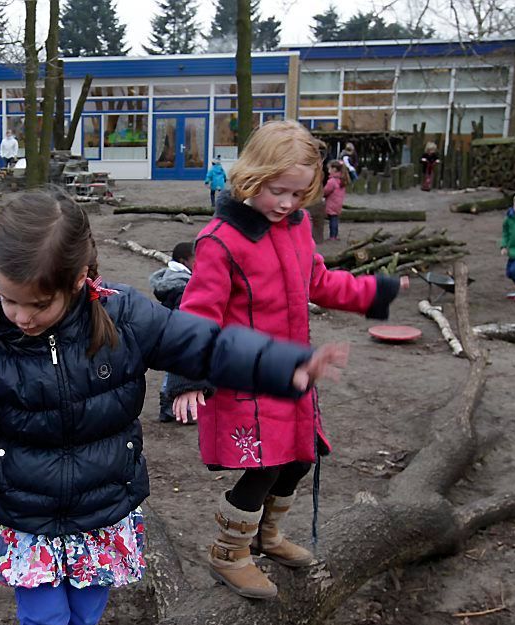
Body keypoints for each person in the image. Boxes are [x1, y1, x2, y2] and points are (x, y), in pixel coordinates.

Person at [0, 189, 349, 625]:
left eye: (38, 304)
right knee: (46, 616)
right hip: (28, 511)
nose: (20, 316)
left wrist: (279, 363)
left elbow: (204, 344)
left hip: (103, 507)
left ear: (78, 279)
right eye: (10, 299)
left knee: (87, 610)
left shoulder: (123, 317)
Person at [169, 120, 407, 600]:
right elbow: (196, 313)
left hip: (296, 372)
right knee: (265, 463)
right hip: (245, 376)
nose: (287, 204)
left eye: (298, 196)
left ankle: (266, 536)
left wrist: (373, 290)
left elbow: (319, 282)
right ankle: (228, 551)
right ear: (252, 177)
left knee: (301, 456)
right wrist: (188, 378)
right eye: (278, 192)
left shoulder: (296, 228)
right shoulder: (220, 241)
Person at [149, 241, 195, 423]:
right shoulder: (182, 285)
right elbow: (182, 311)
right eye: (194, 260)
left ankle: (168, 407)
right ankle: (170, 407)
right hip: (176, 332)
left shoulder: (172, 279)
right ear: (184, 261)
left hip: (168, 330)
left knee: (172, 370)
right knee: (179, 370)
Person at [323, 160, 348, 241]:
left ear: (334, 169)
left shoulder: (332, 181)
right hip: (338, 203)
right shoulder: (342, 180)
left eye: (329, 168)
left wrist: (322, 193)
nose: (328, 170)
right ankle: (335, 235)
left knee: (332, 220)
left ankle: (332, 236)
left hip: (332, 203)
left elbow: (326, 191)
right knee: (335, 219)